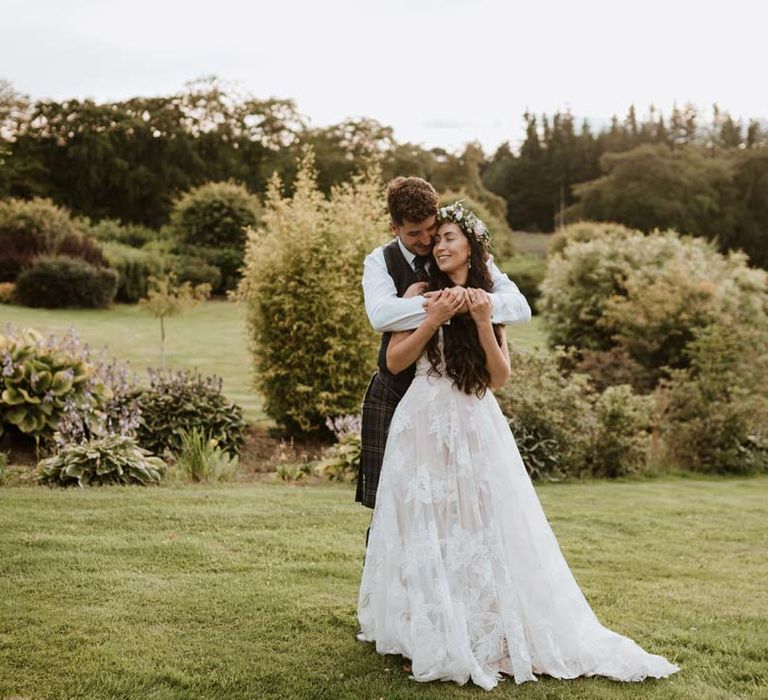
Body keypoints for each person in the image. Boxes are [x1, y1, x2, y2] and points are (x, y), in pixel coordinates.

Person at [356, 201, 681, 690]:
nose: (437, 245)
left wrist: (483, 322)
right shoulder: (419, 292)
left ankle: (483, 629)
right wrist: (430, 315)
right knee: (425, 522)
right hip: (420, 422)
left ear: (471, 246)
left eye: (448, 238)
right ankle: (428, 629)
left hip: (473, 421)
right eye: (434, 238)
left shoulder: (493, 299)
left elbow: (499, 377)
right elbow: (396, 362)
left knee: (479, 525)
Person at [356, 176, 531, 524]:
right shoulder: (380, 262)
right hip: (396, 393)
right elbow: (380, 316)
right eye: (414, 235)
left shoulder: (466, 258)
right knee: (394, 510)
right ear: (395, 228)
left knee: (465, 505)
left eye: (432, 231)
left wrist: (474, 305)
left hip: (461, 397)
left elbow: (518, 307)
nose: (427, 243)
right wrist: (433, 308)